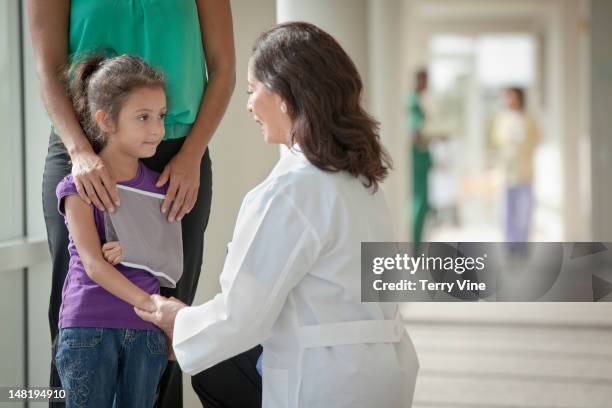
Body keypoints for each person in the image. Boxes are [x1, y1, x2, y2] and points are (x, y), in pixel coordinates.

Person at [135, 22, 420, 408]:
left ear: (285, 95)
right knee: (222, 365)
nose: (249, 105)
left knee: (212, 366)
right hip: (382, 372)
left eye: (253, 91)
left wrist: (177, 320)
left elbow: (241, 316)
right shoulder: (362, 183)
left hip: (325, 383)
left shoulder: (290, 190)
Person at [27, 1, 261, 407]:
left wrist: (192, 154)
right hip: (83, 151)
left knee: (167, 324)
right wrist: (80, 152)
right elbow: (48, 68)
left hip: (176, 157)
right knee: (74, 319)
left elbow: (223, 68)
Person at [55, 54, 171, 407]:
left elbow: (168, 259)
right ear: (105, 120)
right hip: (89, 326)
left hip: (146, 333)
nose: (157, 129)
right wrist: (152, 305)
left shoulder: (164, 188)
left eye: (161, 116)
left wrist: (134, 250)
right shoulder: (77, 188)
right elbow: (92, 263)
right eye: (143, 117)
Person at [492, 87, 540, 243]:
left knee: (524, 212)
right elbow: (497, 140)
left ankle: (522, 243)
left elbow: (537, 138)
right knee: (508, 212)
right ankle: (510, 244)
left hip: (525, 172)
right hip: (507, 172)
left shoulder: (528, 119)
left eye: (512, 97)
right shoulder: (502, 118)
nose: (509, 100)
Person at [408, 69, 433, 247]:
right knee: (418, 203)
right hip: (418, 158)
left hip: (423, 158)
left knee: (423, 204)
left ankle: (418, 246)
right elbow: (417, 134)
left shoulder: (418, 102)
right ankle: (415, 247)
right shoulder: (413, 103)